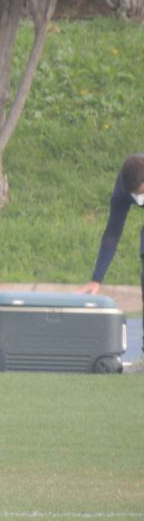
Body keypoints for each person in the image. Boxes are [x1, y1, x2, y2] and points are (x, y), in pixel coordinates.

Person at [82, 152, 144, 371]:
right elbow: (113, 232)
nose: (139, 198)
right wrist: (96, 279)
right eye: (135, 194)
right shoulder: (123, 188)